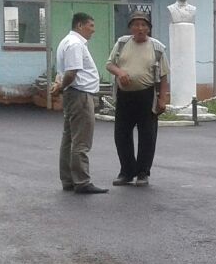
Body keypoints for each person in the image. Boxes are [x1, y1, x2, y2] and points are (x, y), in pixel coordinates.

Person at [106, 11, 170, 186]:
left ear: (149, 28)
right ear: (130, 27)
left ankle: (143, 172)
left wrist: (163, 99)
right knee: (121, 134)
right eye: (136, 25)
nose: (140, 28)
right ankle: (126, 172)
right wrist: (120, 72)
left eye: (143, 25)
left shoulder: (157, 48)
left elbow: (164, 76)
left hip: (146, 95)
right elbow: (109, 64)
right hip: (124, 96)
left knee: (147, 135)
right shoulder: (122, 43)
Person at [51, 12, 107, 194]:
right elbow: (71, 72)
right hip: (80, 95)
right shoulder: (75, 44)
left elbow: (65, 72)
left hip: (73, 94)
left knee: (69, 138)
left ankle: (68, 179)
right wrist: (61, 87)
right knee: (81, 141)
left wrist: (60, 86)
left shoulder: (67, 41)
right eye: (91, 25)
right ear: (80, 25)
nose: (93, 30)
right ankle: (82, 181)